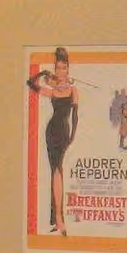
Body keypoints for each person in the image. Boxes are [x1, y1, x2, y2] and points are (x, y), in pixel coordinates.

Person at [26, 47, 78, 234]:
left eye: (64, 68)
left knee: (57, 171)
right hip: (51, 132)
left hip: (64, 132)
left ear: (68, 69)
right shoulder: (53, 91)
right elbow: (30, 83)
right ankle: (58, 220)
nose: (61, 71)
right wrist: (42, 74)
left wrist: (72, 136)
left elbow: (75, 116)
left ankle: (58, 219)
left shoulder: (73, 90)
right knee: (56, 172)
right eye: (57, 68)